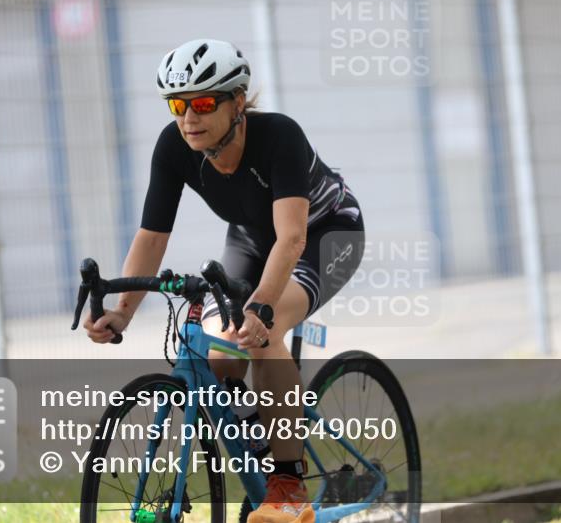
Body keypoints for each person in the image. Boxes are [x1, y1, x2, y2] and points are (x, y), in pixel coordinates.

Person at [83, 38, 365, 523]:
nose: (189, 118)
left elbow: (293, 239)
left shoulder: (279, 136)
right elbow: (152, 237)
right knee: (219, 351)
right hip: (253, 239)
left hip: (326, 233)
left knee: (262, 331)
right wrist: (122, 311)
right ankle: (263, 431)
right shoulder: (174, 146)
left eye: (204, 103)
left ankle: (287, 482)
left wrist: (261, 308)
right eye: (178, 105)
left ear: (238, 101)